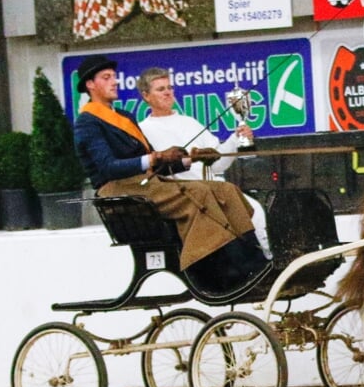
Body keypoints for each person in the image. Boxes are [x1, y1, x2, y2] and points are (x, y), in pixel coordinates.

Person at [72, 54, 271, 295]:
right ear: (91, 85)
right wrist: (153, 158)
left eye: (114, 77)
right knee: (197, 191)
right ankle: (218, 267)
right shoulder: (88, 122)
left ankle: (255, 259)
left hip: (145, 181)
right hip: (118, 187)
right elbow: (107, 166)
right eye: (106, 78)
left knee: (225, 190)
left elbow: (156, 162)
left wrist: (188, 159)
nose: (114, 81)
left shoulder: (124, 117)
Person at [136, 66, 271, 257]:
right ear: (146, 96)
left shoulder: (189, 122)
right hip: (184, 196)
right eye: (160, 89)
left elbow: (217, 164)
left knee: (255, 210)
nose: (167, 93)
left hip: (217, 189)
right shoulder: (143, 130)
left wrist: (235, 139)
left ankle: (267, 260)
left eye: (170, 88)